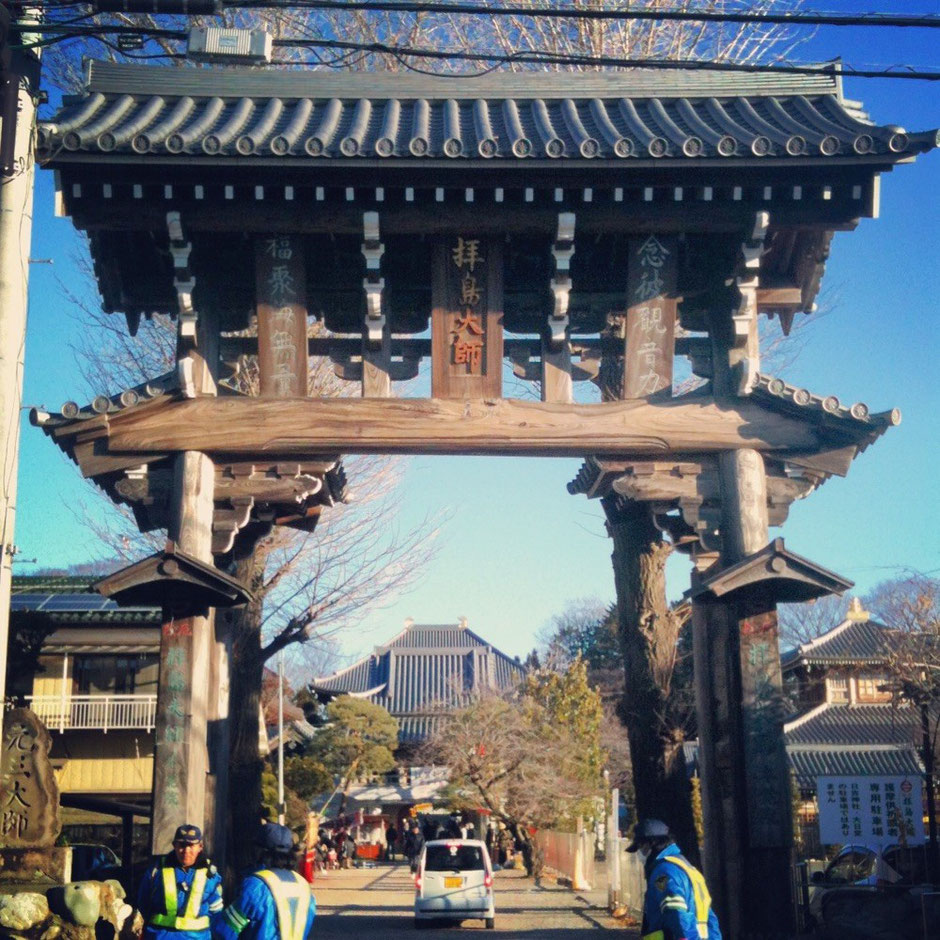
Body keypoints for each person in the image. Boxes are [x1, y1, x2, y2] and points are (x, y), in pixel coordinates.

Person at [215, 823, 315, 940]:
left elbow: (225, 931)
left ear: (261, 851)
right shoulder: (304, 886)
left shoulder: (256, 885)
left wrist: (213, 908)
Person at [626, 818, 722, 940]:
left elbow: (675, 910)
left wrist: (684, 937)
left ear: (651, 843)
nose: (640, 852)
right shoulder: (687, 867)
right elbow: (709, 916)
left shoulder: (664, 871)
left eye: (640, 846)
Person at [138, 824, 224, 940]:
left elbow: (216, 912)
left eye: (191, 845)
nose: (186, 851)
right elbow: (143, 903)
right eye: (182, 845)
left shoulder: (211, 875)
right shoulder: (156, 870)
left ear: (200, 847)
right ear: (174, 845)